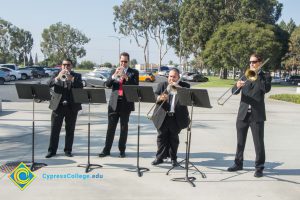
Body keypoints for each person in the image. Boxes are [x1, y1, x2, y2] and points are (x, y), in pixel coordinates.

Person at [227, 53, 272, 177]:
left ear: (260, 62)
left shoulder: (265, 76)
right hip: (243, 114)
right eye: (250, 62)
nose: (251, 64)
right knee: (240, 142)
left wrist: (257, 75)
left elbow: (266, 89)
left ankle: (259, 167)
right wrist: (237, 86)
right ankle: (238, 163)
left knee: (258, 143)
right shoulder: (245, 75)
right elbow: (233, 92)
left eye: (254, 62)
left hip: (257, 115)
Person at [99, 52, 139, 158]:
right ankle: (106, 150)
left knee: (123, 128)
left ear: (128, 61)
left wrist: (126, 77)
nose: (123, 63)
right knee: (110, 128)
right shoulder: (113, 71)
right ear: (119, 61)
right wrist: (113, 76)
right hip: (114, 103)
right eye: (122, 61)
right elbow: (107, 84)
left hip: (126, 103)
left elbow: (135, 85)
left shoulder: (133, 72)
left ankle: (122, 150)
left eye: (125, 61)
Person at [151, 68, 190, 167]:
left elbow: (187, 99)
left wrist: (178, 88)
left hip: (176, 117)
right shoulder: (162, 85)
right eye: (170, 76)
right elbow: (155, 96)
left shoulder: (185, 86)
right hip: (162, 116)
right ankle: (159, 158)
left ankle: (173, 158)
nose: (172, 79)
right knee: (161, 137)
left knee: (174, 138)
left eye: (174, 77)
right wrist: (159, 98)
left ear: (178, 77)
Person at [45, 59, 83, 158]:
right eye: (64, 65)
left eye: (68, 65)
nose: (66, 67)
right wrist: (57, 78)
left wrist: (72, 79)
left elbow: (81, 86)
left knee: (70, 130)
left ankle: (68, 150)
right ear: (61, 66)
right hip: (58, 106)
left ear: (71, 66)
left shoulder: (77, 76)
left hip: (71, 107)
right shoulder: (56, 74)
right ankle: (52, 151)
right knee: (55, 130)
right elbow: (48, 84)